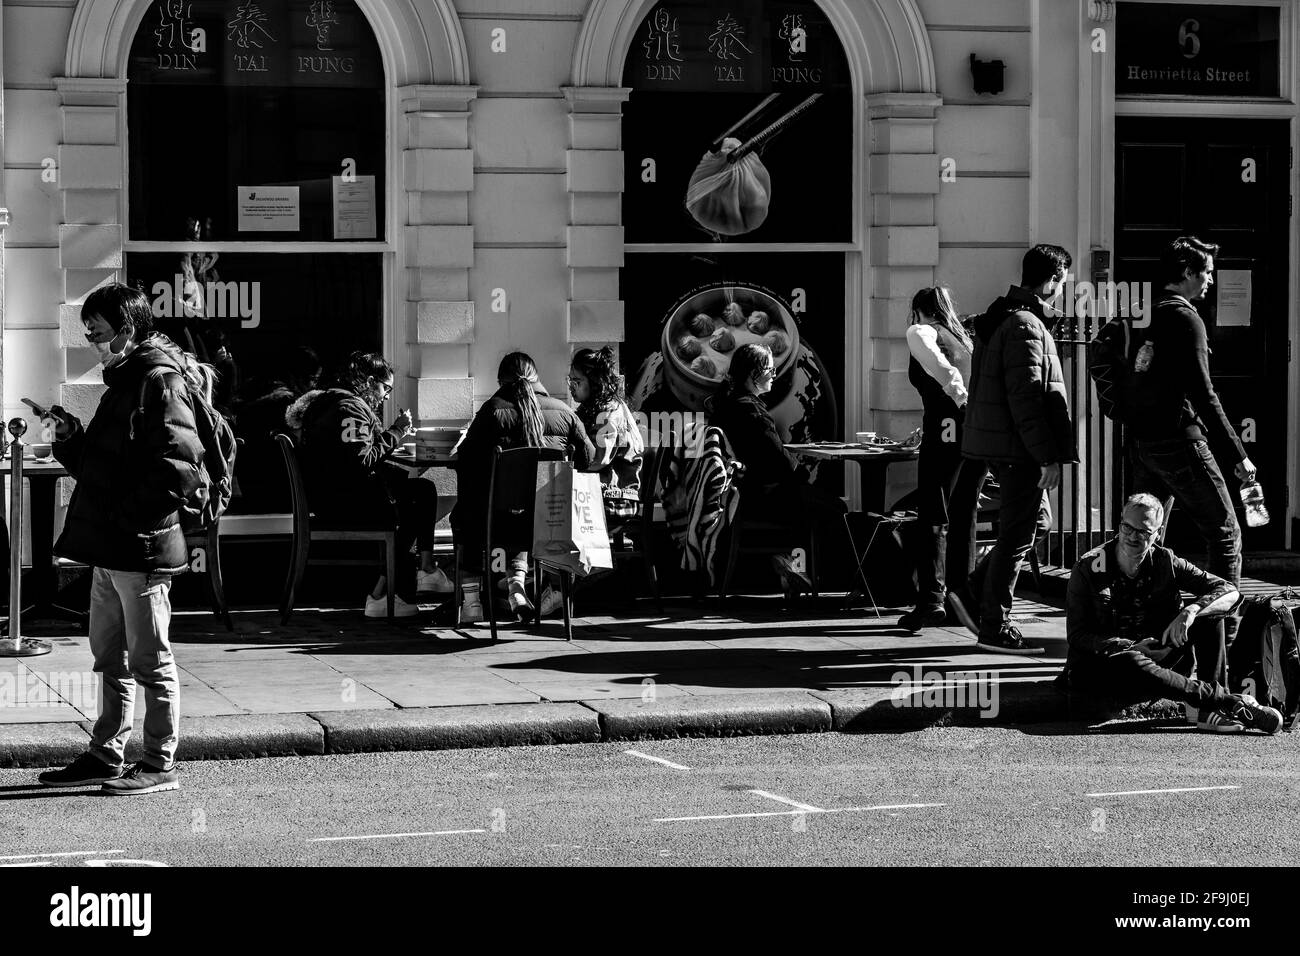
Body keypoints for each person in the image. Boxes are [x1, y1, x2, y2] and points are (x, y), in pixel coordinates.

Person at [36, 283, 208, 795]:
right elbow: (105, 468)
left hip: (141, 548)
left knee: (151, 660)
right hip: (111, 549)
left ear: (129, 331)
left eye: (100, 334)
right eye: (89, 334)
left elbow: (180, 468)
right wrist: (72, 439)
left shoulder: (159, 381)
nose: (94, 343)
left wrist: (131, 520)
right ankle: (107, 752)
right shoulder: (125, 381)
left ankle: (159, 763)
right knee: (109, 658)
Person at [1128, 235, 1253, 669]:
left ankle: (1150, 637)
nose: (1211, 281)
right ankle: (1224, 645)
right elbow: (1204, 393)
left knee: (1146, 539)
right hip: (1180, 442)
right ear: (1186, 272)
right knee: (1225, 535)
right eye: (1206, 273)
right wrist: (1238, 455)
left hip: (1144, 444)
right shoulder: (1186, 320)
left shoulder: (1150, 316)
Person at [949, 244, 1078, 654]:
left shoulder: (1001, 316)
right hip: (1019, 450)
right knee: (1021, 532)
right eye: (1063, 281)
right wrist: (1047, 457)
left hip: (1000, 445)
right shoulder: (1025, 324)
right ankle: (995, 626)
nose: (1064, 290)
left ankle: (974, 591)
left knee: (1035, 524)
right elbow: (1028, 399)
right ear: (1052, 279)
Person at [1063, 494, 1281, 734]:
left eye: (1143, 532)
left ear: (1158, 532)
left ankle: (1208, 713)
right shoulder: (1089, 566)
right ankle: (1224, 701)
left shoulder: (1166, 560)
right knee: (1132, 660)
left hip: (1160, 654)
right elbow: (1078, 635)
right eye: (1127, 527)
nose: (1132, 537)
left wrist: (1191, 610)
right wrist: (1131, 646)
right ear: (1120, 523)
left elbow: (1229, 592)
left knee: (1210, 614)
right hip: (1106, 667)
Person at [287, 351, 453, 617]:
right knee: (417, 499)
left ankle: (398, 585)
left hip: (331, 496)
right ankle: (404, 584)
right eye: (386, 388)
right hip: (343, 503)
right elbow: (362, 459)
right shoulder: (349, 409)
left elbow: (346, 459)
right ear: (369, 382)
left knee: (419, 494)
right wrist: (397, 431)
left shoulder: (330, 404)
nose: (387, 396)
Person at [451, 352, 596, 621]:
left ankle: (472, 603)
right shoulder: (564, 412)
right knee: (523, 513)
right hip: (552, 521)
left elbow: (467, 458)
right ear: (536, 377)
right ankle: (516, 584)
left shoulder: (492, 411)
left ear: (500, 380)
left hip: (497, 521)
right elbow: (587, 458)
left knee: (465, 514)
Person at [707, 343, 847, 597]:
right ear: (753, 374)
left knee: (811, 499)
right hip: (761, 497)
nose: (774, 375)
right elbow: (780, 461)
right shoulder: (750, 409)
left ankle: (795, 564)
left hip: (742, 493)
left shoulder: (726, 404)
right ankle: (810, 570)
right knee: (835, 507)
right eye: (770, 370)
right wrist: (801, 470)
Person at [898, 287, 973, 631]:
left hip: (944, 429)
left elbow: (945, 373)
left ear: (918, 310)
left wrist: (959, 400)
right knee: (963, 514)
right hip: (970, 433)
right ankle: (963, 597)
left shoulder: (921, 331)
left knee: (933, 513)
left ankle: (931, 600)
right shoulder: (963, 338)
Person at [233, 346, 322, 512]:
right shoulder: (286, 403)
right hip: (276, 485)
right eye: (313, 379)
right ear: (298, 375)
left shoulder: (254, 391)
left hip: (250, 481)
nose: (313, 385)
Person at [569, 346, 646, 522]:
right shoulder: (591, 409)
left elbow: (597, 458)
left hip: (614, 499)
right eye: (570, 380)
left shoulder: (609, 411)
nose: (572, 386)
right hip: (601, 494)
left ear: (594, 382)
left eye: (577, 381)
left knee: (555, 510)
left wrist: (568, 466)